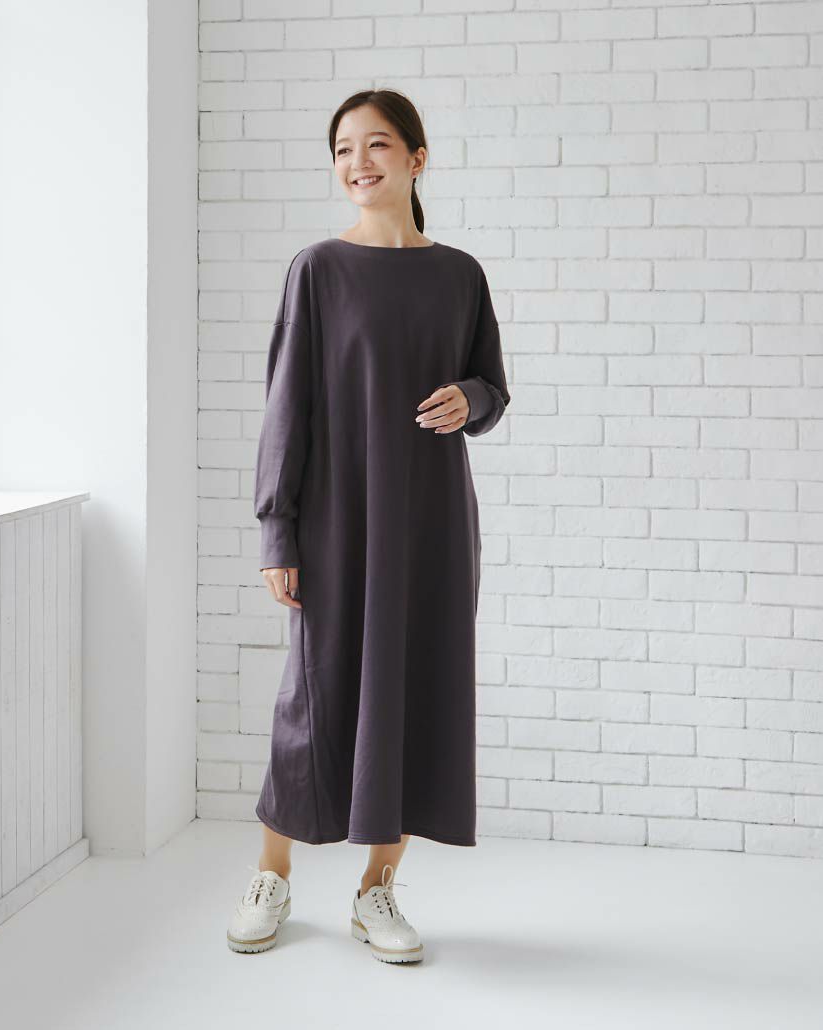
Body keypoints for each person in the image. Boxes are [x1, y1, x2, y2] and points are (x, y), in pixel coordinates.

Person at [227, 89, 511, 964]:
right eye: (344, 149)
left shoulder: (460, 274)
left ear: (417, 159)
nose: (358, 163)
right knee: (310, 701)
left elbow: (492, 387)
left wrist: (470, 400)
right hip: (336, 521)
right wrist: (278, 531)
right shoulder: (317, 270)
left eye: (378, 145)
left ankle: (377, 887)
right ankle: (272, 874)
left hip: (430, 522)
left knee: (414, 694)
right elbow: (287, 409)